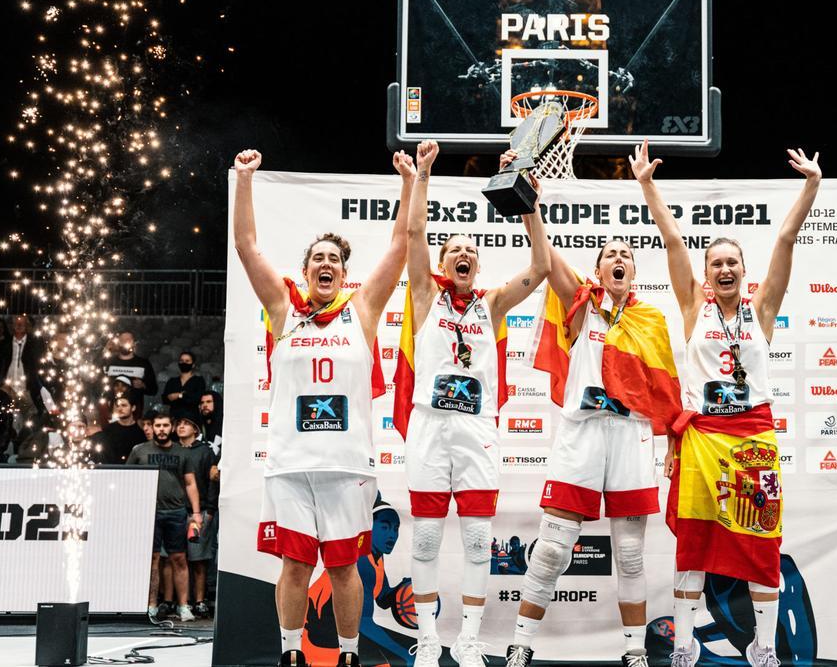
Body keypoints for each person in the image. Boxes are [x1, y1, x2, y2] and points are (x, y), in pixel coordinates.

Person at [638, 140, 821, 667]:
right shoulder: (694, 305)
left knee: (759, 544)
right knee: (693, 544)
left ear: (743, 271)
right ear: (707, 271)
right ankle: (683, 645)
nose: (723, 268)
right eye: (715, 262)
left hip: (754, 439)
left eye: (731, 262)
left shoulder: (762, 308)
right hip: (702, 442)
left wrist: (811, 185)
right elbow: (673, 241)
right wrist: (648, 186)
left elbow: (785, 240)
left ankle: (764, 647)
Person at [499, 154, 681, 667]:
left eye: (626, 253)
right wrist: (528, 198)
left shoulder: (651, 321)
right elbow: (547, 255)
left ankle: (634, 652)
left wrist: (672, 444)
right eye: (609, 254)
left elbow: (666, 395)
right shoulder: (579, 304)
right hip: (581, 435)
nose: (618, 258)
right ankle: (520, 645)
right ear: (599, 270)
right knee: (554, 549)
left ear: (633, 271)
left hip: (630, 439)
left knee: (628, 554)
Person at [234, 148, 412, 667]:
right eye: (319, 259)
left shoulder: (361, 311)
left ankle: (351, 655)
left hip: (348, 466)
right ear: (306, 270)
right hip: (291, 465)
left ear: (344, 271)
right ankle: (291, 655)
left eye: (335, 259)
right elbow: (246, 246)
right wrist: (246, 179)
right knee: (293, 565)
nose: (327, 265)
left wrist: (410, 180)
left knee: (343, 569)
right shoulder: (282, 310)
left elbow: (402, 244)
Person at [397, 141, 549, 667]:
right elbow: (414, 233)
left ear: (477, 264)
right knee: (427, 539)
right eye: (455, 250)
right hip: (429, 428)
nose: (464, 255)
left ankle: (468, 638)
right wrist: (424, 173)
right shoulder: (424, 296)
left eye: (472, 251)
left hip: (476, 430)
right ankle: (430, 638)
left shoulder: (493, 304)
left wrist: (528, 202)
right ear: (442, 264)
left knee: (481, 537)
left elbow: (542, 266)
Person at [127, 412, 203, 623]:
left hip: (176, 512)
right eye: (157, 425)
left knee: (179, 558)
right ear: (152, 427)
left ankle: (183, 607)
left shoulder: (182, 453)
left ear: (171, 427)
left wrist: (196, 514)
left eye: (165, 425)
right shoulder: (139, 451)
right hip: (148, 513)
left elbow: (190, 484)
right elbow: (127, 481)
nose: (161, 429)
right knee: (152, 560)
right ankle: (151, 606)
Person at [176, 413, 218, 619]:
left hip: (198, 511)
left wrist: (209, 509)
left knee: (199, 558)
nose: (181, 426)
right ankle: (180, 601)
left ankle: (200, 601)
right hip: (175, 509)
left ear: (196, 430)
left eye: (187, 423)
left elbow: (212, 481)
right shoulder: (173, 450)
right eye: (179, 424)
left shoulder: (205, 452)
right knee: (177, 558)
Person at [92, 395, 146, 464]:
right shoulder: (108, 430)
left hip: (133, 471)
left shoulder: (140, 433)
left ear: (133, 408)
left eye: (124, 405)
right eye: (118, 406)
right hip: (111, 470)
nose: (120, 409)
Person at [105, 330, 158, 398]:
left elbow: (154, 390)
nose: (126, 342)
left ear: (134, 343)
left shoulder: (143, 363)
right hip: (113, 406)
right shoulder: (109, 363)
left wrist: (143, 385)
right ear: (118, 343)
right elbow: (100, 387)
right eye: (122, 340)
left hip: (134, 407)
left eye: (129, 340)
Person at [162, 350, 206, 421]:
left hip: (192, 417)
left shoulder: (199, 381)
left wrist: (179, 396)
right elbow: (165, 399)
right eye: (181, 361)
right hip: (174, 417)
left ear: (193, 364)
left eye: (187, 361)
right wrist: (184, 396)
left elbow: (197, 398)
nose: (184, 363)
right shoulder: (172, 381)